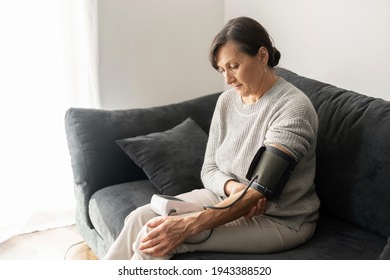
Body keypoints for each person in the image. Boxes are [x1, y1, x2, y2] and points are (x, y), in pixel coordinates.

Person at [104, 16, 320, 260]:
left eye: (234, 66)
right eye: (222, 70)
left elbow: (259, 192)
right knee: (138, 219)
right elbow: (209, 169)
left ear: (262, 56)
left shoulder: (293, 108)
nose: (227, 80)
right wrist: (234, 187)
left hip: (280, 219)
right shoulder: (226, 101)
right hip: (227, 196)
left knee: (157, 239)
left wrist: (190, 224)